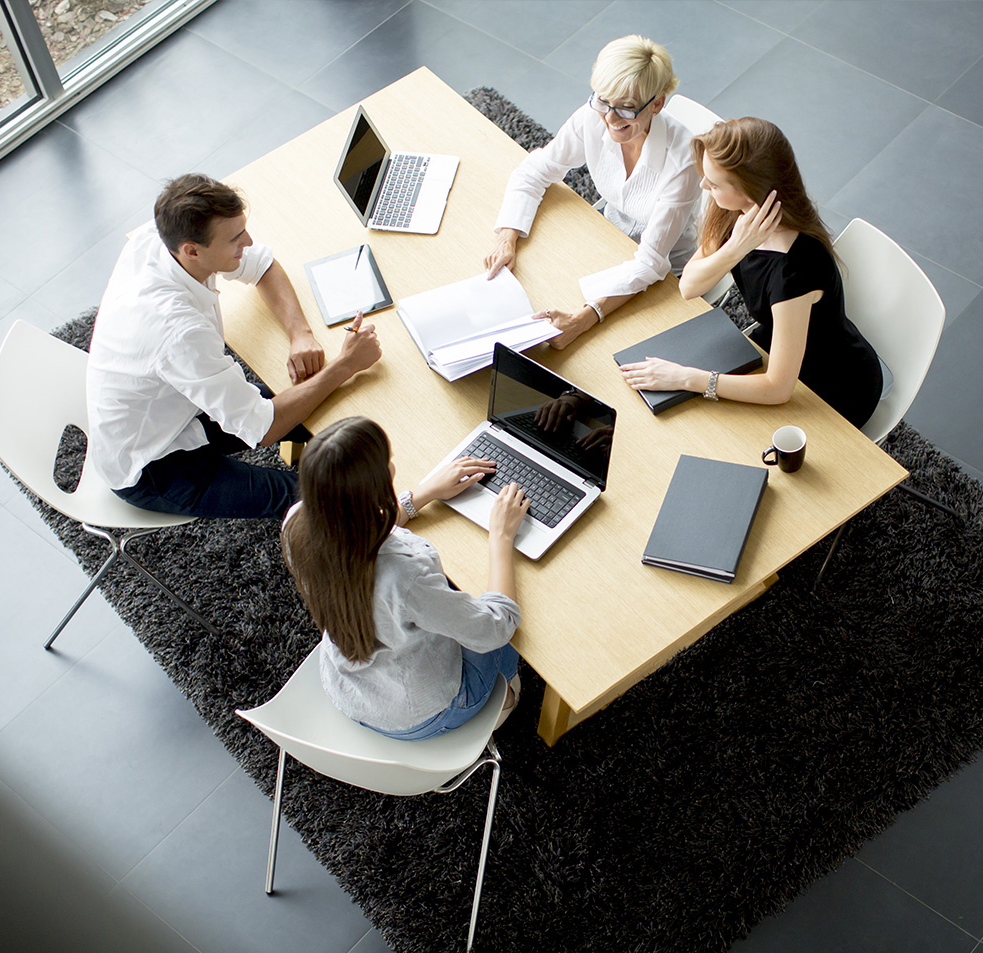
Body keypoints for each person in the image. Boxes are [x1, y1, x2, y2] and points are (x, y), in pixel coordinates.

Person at [86, 173, 381, 520]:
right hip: (151, 465)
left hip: (179, 408)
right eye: (235, 239)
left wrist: (300, 333)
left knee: (318, 407)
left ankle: (304, 452)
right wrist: (345, 365)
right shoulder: (178, 331)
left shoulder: (161, 238)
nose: (249, 241)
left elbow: (264, 265)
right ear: (192, 251)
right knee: (317, 498)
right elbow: (264, 428)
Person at [620, 118, 882, 428]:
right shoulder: (735, 214)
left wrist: (686, 378)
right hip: (776, 346)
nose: (703, 185)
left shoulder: (795, 269)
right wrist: (735, 248)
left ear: (749, 189)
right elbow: (688, 286)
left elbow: (779, 388)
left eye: (714, 183)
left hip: (833, 384)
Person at [281, 417, 529, 740]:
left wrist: (422, 495)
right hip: (419, 713)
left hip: (349, 688)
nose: (394, 469)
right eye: (387, 464)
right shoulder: (405, 576)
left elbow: (353, 530)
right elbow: (496, 625)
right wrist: (501, 537)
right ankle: (501, 702)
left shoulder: (296, 526)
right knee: (513, 639)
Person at [484, 34, 699, 350]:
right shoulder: (593, 116)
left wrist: (582, 320)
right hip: (606, 235)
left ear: (657, 104)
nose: (609, 119)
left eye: (625, 108)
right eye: (602, 101)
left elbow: (651, 263)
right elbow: (535, 170)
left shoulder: (683, 158)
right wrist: (508, 237)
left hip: (665, 274)